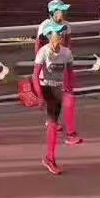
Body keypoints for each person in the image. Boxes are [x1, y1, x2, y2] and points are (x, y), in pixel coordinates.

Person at [32, 25, 74, 175]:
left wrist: (69, 89)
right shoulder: (43, 52)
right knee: (52, 124)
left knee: (54, 123)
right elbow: (34, 76)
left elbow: (70, 73)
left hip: (59, 89)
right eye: (58, 33)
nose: (61, 35)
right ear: (50, 36)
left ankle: (49, 157)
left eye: (62, 32)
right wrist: (40, 97)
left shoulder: (66, 52)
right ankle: (50, 158)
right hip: (46, 88)